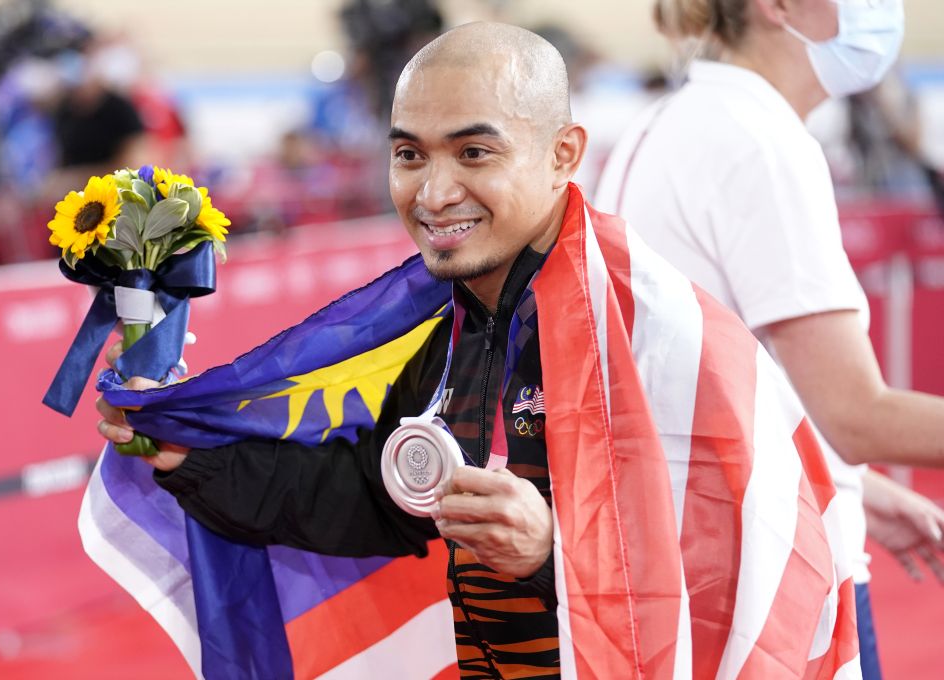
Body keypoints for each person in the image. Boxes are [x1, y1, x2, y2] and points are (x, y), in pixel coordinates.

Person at [98, 22, 856, 678]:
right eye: (409, 156)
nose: (432, 193)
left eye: (473, 153)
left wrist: (553, 547)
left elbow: (759, 576)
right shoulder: (457, 324)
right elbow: (377, 499)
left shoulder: (664, 334)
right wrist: (191, 458)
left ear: (564, 155)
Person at [592, 2, 944, 678]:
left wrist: (853, 486)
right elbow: (856, 415)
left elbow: (704, 368)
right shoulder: (759, 141)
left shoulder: (675, 121)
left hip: (700, 570)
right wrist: (852, 459)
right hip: (768, 585)